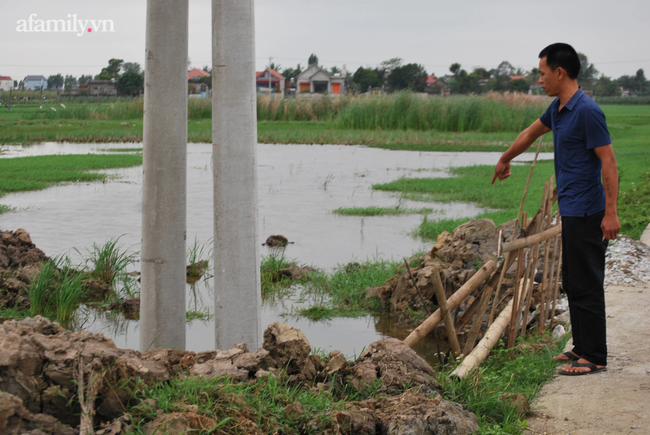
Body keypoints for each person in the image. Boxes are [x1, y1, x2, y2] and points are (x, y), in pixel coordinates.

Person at [492, 43, 619, 376]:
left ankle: (594, 356)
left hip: (590, 211)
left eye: (542, 73)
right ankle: (580, 347)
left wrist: (611, 212)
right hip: (572, 210)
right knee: (574, 280)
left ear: (559, 72)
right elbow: (530, 133)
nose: (540, 79)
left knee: (588, 282)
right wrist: (506, 157)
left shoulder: (587, 111)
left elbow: (609, 162)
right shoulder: (558, 109)